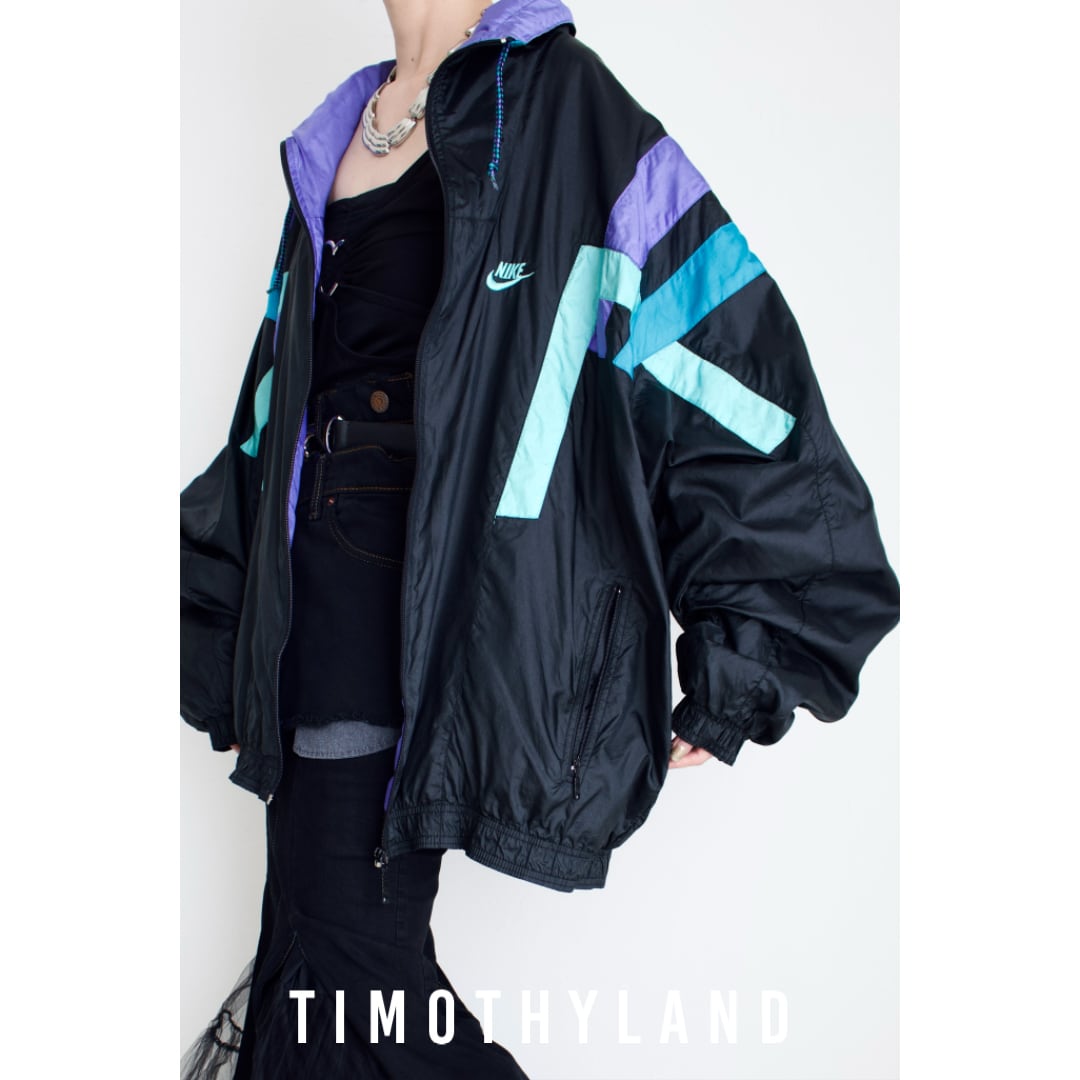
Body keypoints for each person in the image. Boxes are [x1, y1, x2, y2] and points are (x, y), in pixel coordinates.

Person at [180, 0, 901, 1075]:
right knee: (312, 957)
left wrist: (753, 646)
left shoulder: (566, 110)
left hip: (416, 623)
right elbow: (271, 417)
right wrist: (225, 640)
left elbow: (737, 377)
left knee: (347, 983)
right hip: (306, 621)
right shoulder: (340, 130)